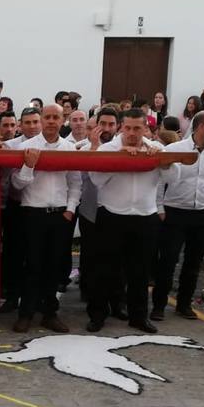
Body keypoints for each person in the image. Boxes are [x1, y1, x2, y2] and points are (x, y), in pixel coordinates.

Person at [86, 109, 178, 333]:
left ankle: (139, 317)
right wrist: (120, 158)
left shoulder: (156, 149)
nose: (132, 133)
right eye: (127, 128)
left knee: (141, 271)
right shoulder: (109, 149)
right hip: (112, 215)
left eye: (137, 128)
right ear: (120, 127)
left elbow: (173, 179)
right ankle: (98, 315)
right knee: (104, 269)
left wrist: (161, 162)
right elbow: (96, 179)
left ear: (145, 127)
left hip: (145, 217)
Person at [152, 111, 204, 321]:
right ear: (201, 126)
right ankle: (158, 305)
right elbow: (160, 181)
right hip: (174, 213)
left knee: (193, 263)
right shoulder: (174, 149)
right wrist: (159, 208)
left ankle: (184, 304)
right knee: (167, 261)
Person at [10, 103, 80, 333]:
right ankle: (26, 314)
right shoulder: (27, 147)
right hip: (33, 214)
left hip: (60, 215)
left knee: (54, 267)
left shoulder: (70, 149)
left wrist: (69, 210)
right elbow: (17, 184)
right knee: (31, 266)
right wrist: (29, 166)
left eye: (55, 117)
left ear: (62, 121)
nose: (51, 121)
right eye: (47, 117)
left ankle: (50, 313)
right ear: (41, 120)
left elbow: (75, 184)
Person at [77, 106, 123, 313]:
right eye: (102, 123)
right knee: (90, 254)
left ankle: (117, 300)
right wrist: (94, 147)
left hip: (115, 211)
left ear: (117, 126)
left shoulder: (123, 148)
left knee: (115, 258)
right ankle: (89, 293)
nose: (106, 128)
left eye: (111, 124)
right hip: (90, 209)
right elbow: (86, 177)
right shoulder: (82, 147)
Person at [0, 111, 23, 311]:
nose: (8, 129)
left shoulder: (22, 146)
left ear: (17, 126)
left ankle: (12, 290)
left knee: (14, 249)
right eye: (4, 125)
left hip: (15, 204)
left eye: (11, 125)